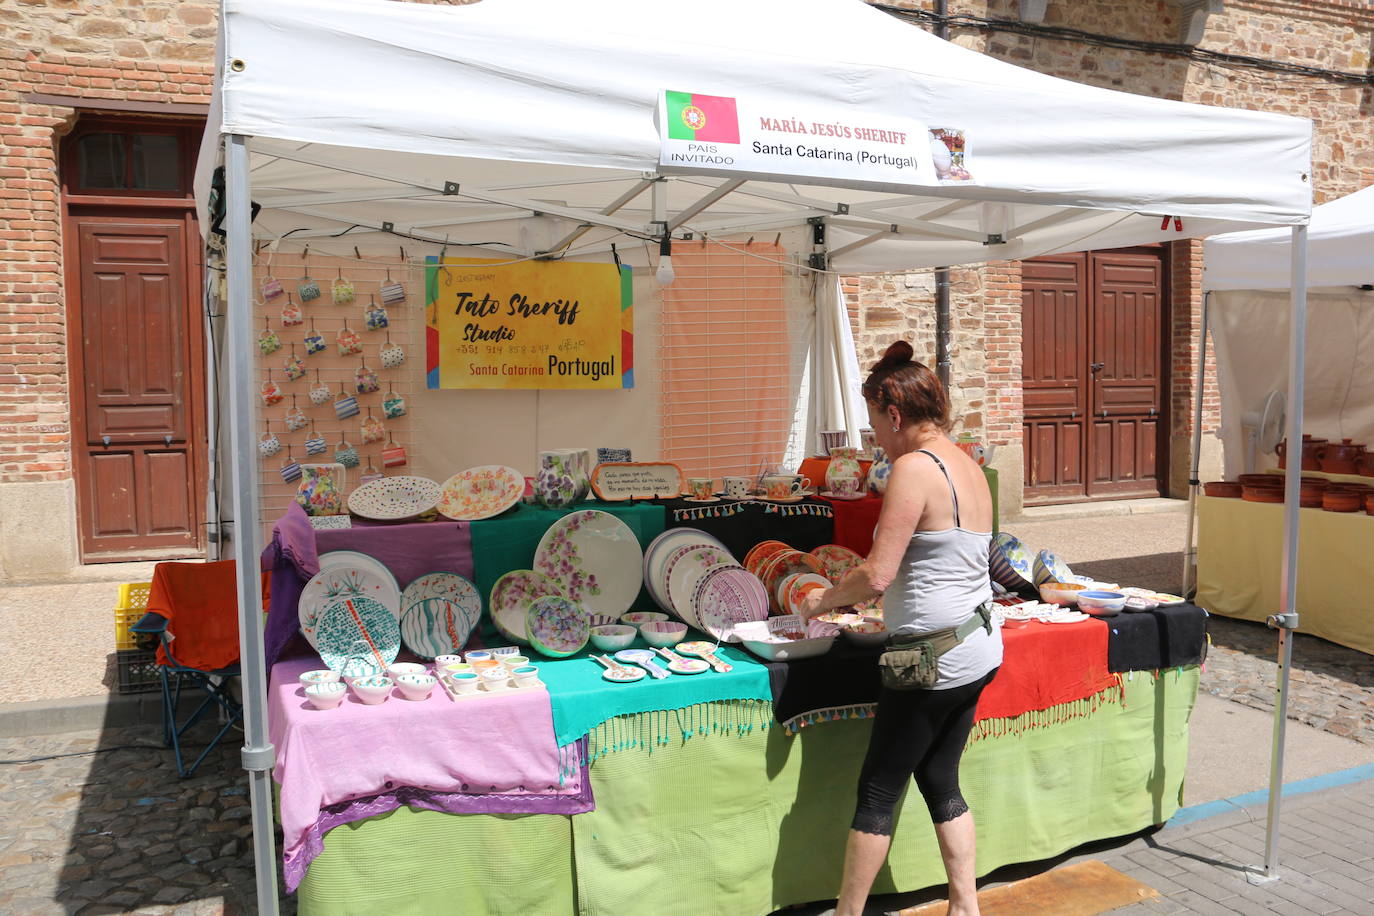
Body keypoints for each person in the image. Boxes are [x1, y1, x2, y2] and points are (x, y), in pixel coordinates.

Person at [799, 340, 1002, 916]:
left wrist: (821, 602)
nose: (875, 442)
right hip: (978, 644)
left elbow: (876, 576)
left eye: (874, 427)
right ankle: (965, 906)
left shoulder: (913, 469)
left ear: (895, 415)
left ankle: (848, 913)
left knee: (878, 791)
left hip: (931, 659)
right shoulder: (968, 464)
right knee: (940, 775)